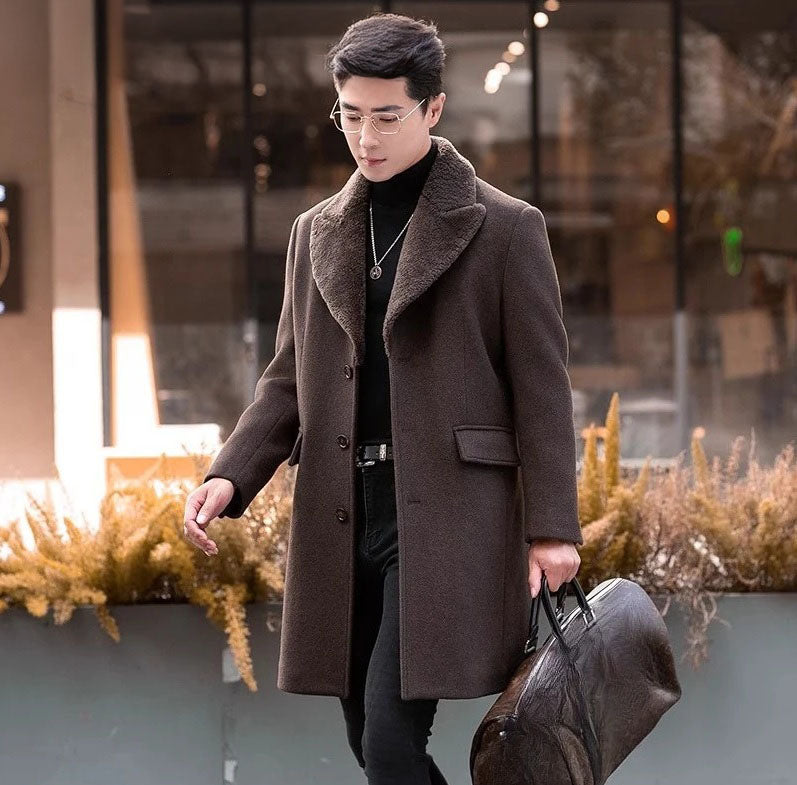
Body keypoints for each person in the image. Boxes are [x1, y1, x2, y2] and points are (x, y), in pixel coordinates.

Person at [183, 12, 581, 785]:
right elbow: (285, 379)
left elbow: (542, 390)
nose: (366, 137)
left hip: (445, 515)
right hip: (341, 513)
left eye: (386, 116)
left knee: (394, 743)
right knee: (371, 742)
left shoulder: (505, 229)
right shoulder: (315, 232)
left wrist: (551, 527)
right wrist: (228, 474)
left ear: (432, 109)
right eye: (350, 116)